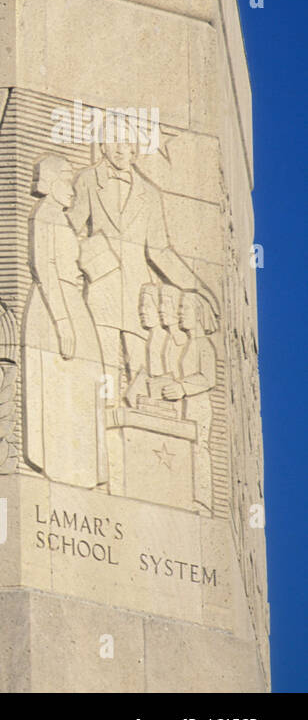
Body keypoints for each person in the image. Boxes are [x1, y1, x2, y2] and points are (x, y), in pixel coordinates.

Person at [67, 135, 219, 401]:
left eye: (126, 143)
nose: (119, 149)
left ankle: (139, 426)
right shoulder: (88, 180)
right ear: (103, 145)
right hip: (102, 289)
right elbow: (68, 229)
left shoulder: (149, 193)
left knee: (140, 373)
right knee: (102, 370)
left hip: (140, 298)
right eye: (112, 141)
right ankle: (101, 428)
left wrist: (197, 287)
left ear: (136, 150)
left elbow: (159, 250)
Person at [22, 156, 104, 487]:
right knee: (62, 387)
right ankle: (62, 470)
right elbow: (44, 267)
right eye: (66, 179)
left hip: (71, 301)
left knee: (83, 383)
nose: (71, 188)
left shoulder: (59, 217)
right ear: (50, 182)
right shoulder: (45, 216)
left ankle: (80, 470)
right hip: (55, 307)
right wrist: (63, 323)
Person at [168, 292, 218, 514]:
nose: (179, 313)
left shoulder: (204, 344)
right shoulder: (189, 344)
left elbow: (209, 378)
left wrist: (182, 388)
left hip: (198, 405)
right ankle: (187, 495)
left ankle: (203, 501)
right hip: (186, 403)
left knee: (199, 448)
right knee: (187, 446)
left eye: (184, 308)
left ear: (198, 313)